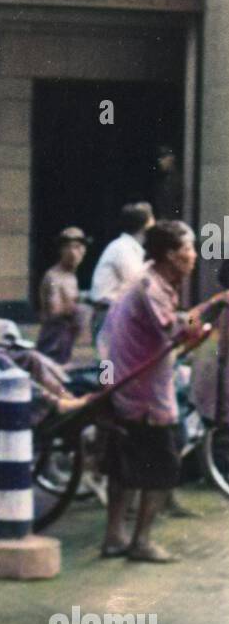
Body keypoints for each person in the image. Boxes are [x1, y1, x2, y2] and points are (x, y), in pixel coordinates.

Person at [99, 221, 211, 563]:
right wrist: (204, 319)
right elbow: (177, 331)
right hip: (143, 395)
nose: (194, 256)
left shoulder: (150, 279)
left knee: (124, 466)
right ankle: (141, 541)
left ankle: (115, 536)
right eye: (188, 249)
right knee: (162, 469)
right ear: (170, 254)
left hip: (127, 386)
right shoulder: (152, 288)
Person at [91, 203, 154, 341]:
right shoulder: (123, 248)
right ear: (146, 225)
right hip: (108, 315)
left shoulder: (129, 248)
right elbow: (138, 285)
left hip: (115, 314)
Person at [37, 227, 92, 365]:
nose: (73, 253)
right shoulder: (53, 277)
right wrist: (82, 304)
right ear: (60, 250)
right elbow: (54, 311)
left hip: (68, 346)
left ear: (84, 250)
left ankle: (107, 383)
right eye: (67, 247)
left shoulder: (71, 276)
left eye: (77, 247)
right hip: (53, 346)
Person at [150, 145, 184, 220]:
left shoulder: (181, 179)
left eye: (163, 157)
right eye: (159, 158)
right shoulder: (162, 181)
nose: (160, 161)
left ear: (172, 158)